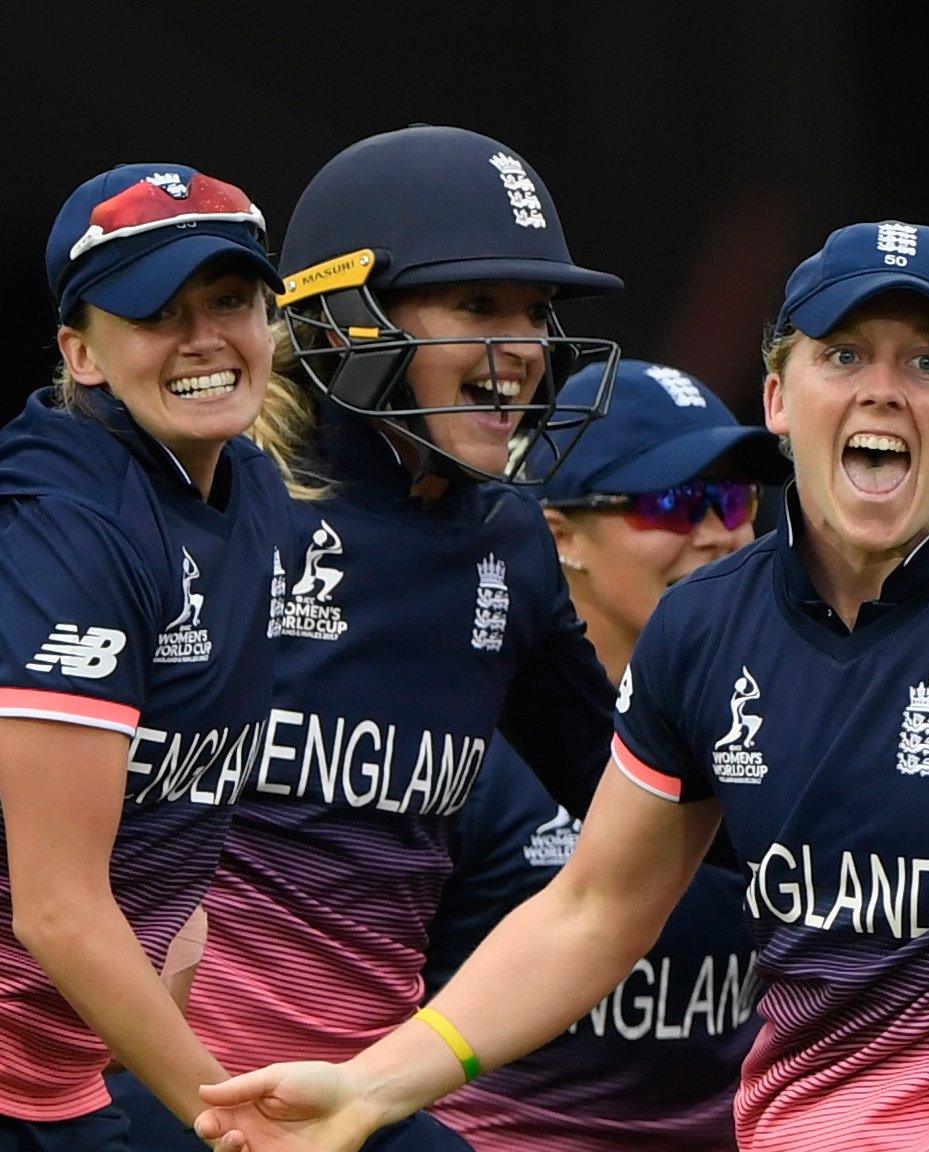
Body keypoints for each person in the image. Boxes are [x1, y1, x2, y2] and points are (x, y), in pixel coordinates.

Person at [194, 221, 929, 1152]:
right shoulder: (704, 630)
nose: (882, 387)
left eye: (926, 362)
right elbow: (594, 913)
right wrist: (365, 1090)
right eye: (844, 354)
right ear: (779, 399)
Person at [107, 125, 624, 1152]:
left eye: (537, 309)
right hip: (141, 1089)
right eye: (477, 304)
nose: (520, 345)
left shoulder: (507, 539)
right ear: (345, 319)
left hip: (354, 1112)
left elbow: (639, 811)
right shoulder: (183, 506)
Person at [420, 358, 784, 1151]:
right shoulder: (466, 744)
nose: (721, 532)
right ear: (559, 536)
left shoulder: (788, 729)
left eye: (735, 498)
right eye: (676, 504)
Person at [0, 165, 292, 1147]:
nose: (205, 338)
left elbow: (180, 784)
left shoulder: (246, 490)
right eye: (157, 312)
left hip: (61, 1079)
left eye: (230, 300)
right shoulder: (62, 525)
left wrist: (177, 932)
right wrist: (241, 1127)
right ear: (80, 353)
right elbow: (54, 907)